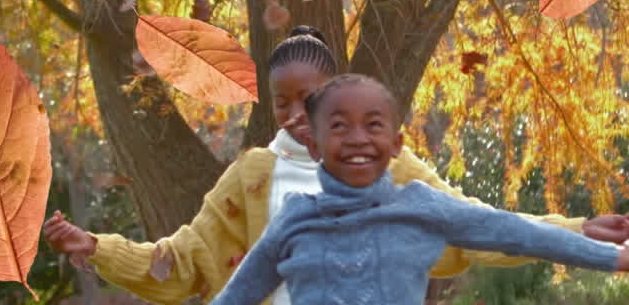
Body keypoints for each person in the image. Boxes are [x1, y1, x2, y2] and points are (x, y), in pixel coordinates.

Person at [43, 26, 629, 305]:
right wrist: (98, 248)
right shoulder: (254, 178)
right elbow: (186, 261)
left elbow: (484, 227)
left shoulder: (393, 172)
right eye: (282, 103)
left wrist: (579, 232)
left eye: (310, 99)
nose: (296, 115)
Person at [209, 74, 629, 304]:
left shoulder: (422, 208)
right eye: (338, 126)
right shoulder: (294, 219)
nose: (357, 139)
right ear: (315, 146)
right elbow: (235, 298)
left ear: (396, 144)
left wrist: (612, 257)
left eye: (373, 125)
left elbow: (517, 233)